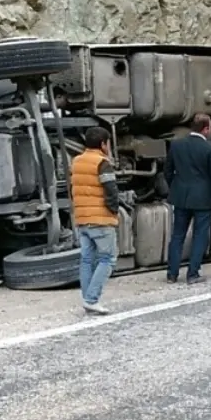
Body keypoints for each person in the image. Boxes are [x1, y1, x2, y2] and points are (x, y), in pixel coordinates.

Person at [164, 113, 211, 284]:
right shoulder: (210, 148)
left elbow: (167, 171)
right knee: (200, 235)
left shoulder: (176, 145)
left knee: (177, 235)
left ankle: (172, 274)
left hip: (181, 197)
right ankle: (193, 274)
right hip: (203, 198)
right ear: (206, 129)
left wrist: (175, 187)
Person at [70, 126, 121, 315]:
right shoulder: (102, 162)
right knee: (108, 258)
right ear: (103, 144)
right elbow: (111, 190)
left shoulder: (76, 161)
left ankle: (87, 298)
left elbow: (73, 189)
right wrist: (113, 211)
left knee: (87, 260)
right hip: (100, 219)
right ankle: (92, 299)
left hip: (82, 219)